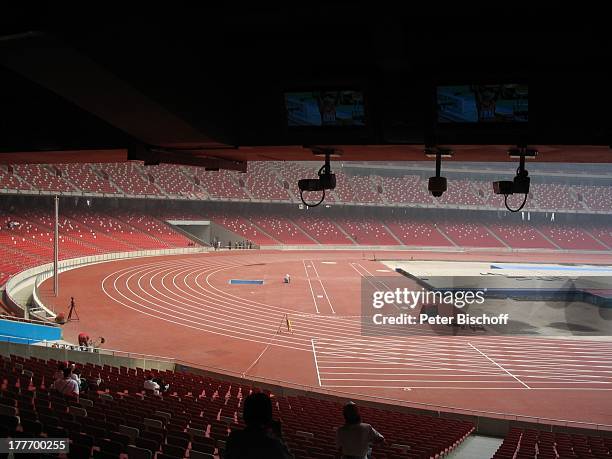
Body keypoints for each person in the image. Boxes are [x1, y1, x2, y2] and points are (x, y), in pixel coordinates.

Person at [225, 392, 293, 459]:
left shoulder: (234, 437)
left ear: (245, 415)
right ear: (269, 417)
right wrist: (279, 438)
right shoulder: (273, 445)